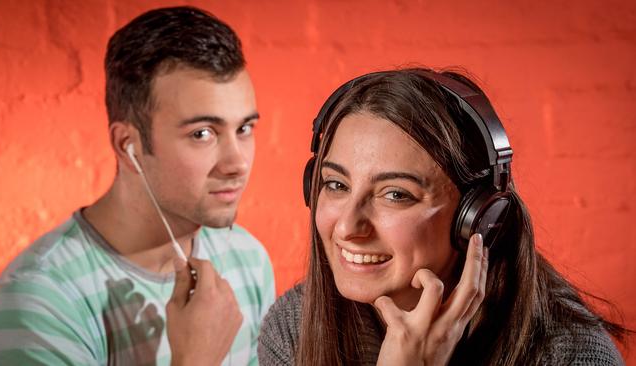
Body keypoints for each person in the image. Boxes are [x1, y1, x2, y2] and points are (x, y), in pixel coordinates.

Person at [257, 68, 627, 365]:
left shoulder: (570, 355)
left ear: (479, 218)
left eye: (395, 195)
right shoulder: (296, 324)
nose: (348, 227)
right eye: (336, 185)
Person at [0, 6, 274, 365]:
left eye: (244, 128)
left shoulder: (247, 259)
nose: (238, 163)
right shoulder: (38, 303)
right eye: (202, 133)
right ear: (127, 144)